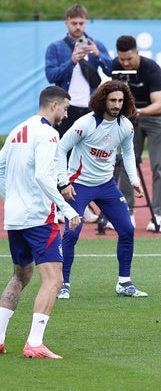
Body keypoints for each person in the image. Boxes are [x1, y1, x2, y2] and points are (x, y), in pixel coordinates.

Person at [0, 86, 81, 359]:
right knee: (54, 279)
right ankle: (34, 343)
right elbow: (45, 178)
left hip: (13, 217)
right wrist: (67, 209)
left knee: (20, 275)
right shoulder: (48, 133)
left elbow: (0, 169)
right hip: (38, 218)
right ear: (54, 105)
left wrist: (11, 197)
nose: (66, 114)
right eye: (66, 108)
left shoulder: (16, 131)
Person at [55, 80, 147, 299]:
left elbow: (127, 153)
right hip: (79, 185)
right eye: (112, 100)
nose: (116, 105)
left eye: (120, 101)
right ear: (103, 100)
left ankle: (124, 283)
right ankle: (62, 283)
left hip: (106, 186)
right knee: (71, 232)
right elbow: (61, 148)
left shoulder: (125, 126)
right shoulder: (85, 123)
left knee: (127, 229)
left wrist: (134, 180)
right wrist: (64, 182)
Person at [45, 3, 113, 223]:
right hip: (64, 110)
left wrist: (98, 54)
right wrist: (72, 60)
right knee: (61, 156)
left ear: (86, 22)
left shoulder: (96, 44)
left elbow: (111, 69)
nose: (77, 27)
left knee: (88, 156)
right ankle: (58, 207)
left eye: (81, 22)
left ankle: (81, 205)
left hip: (90, 109)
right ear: (66, 23)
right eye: (73, 23)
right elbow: (51, 75)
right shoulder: (56, 47)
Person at [112, 35, 161, 232]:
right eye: (122, 59)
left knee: (159, 166)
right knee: (125, 163)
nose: (126, 63)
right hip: (130, 119)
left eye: (129, 58)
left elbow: (158, 105)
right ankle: (127, 213)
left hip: (156, 119)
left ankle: (159, 215)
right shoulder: (116, 66)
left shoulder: (151, 68)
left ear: (137, 52)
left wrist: (135, 111)